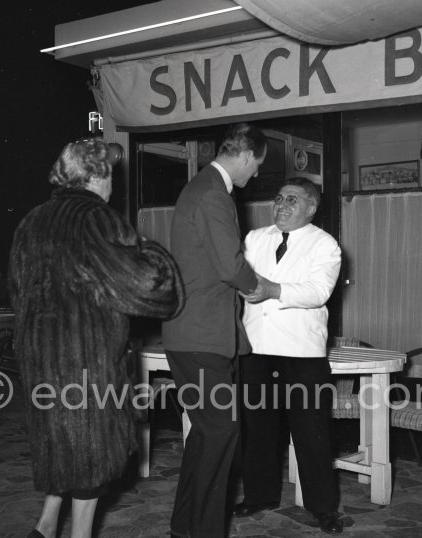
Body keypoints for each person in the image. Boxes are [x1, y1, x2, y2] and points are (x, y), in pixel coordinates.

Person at [8, 138, 184, 538]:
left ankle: (47, 523)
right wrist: (151, 252)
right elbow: (148, 288)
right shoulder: (97, 219)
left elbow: (17, 292)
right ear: (98, 175)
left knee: (62, 445)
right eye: (111, 174)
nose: (113, 185)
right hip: (86, 357)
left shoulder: (32, 220)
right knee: (91, 453)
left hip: (41, 357)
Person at [162, 123, 268, 538]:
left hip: (194, 335)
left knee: (208, 435)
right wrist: (258, 287)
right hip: (200, 336)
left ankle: (185, 528)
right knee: (221, 431)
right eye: (257, 165)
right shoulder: (213, 193)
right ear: (244, 156)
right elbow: (230, 265)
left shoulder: (201, 188)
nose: (256, 174)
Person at [233, 177, 344, 535]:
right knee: (258, 430)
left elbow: (319, 291)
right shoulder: (254, 239)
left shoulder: (325, 245)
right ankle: (259, 496)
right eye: (278, 198)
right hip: (256, 348)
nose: (281, 205)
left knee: (311, 433)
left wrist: (271, 289)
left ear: (311, 208)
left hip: (301, 352)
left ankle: (322, 507)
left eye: (291, 200)